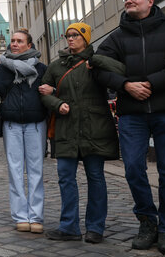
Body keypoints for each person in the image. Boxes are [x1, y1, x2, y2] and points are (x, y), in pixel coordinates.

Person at [95, 0, 165, 254]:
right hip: (132, 114)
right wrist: (126, 85)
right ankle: (147, 222)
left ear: (150, 1)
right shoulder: (116, 38)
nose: (128, 1)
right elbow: (97, 68)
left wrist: (150, 83)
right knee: (132, 168)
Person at [39, 23, 124, 244]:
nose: (70, 39)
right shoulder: (56, 66)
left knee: (95, 177)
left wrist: (94, 61)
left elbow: (121, 70)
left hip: (94, 128)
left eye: (75, 35)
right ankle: (69, 227)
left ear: (86, 38)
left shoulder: (96, 63)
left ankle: (95, 227)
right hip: (66, 130)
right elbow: (43, 91)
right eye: (68, 36)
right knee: (66, 178)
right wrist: (57, 103)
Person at [0, 29, 47, 233]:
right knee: (15, 171)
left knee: (36, 170)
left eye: (19, 41)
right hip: (11, 124)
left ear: (29, 45)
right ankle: (20, 216)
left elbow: (53, 89)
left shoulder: (41, 69)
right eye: (12, 41)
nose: (14, 44)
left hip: (36, 123)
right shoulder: (1, 70)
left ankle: (36, 216)